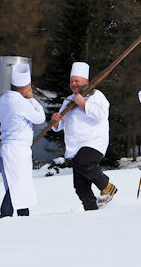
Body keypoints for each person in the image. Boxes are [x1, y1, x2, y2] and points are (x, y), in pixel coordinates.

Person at [51, 62, 117, 210]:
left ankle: (107, 187)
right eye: (71, 81)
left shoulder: (97, 96)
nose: (74, 84)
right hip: (75, 147)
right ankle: (91, 211)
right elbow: (60, 125)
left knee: (84, 162)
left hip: (93, 142)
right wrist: (56, 121)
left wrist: (83, 104)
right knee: (80, 186)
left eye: (77, 81)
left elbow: (101, 115)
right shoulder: (69, 100)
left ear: (86, 82)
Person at [0, 64, 45, 218]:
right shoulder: (21, 102)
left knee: (18, 185)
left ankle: (23, 214)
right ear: (25, 88)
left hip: (7, 148)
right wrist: (32, 99)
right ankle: (6, 215)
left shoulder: (4, 99)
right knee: (17, 185)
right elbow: (40, 117)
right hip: (18, 150)